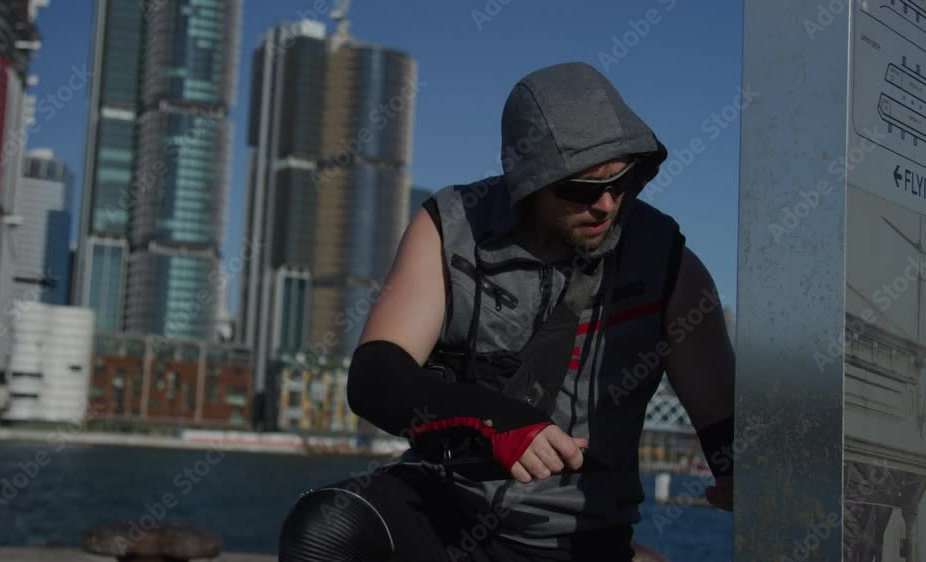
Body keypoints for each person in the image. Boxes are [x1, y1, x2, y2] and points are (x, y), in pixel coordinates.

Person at [278, 61, 735, 562]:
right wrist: (493, 420)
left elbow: (721, 415)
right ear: (530, 180)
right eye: (581, 189)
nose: (606, 204)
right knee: (325, 528)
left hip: (578, 536)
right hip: (444, 509)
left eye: (621, 181)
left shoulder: (667, 262)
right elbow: (375, 376)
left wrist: (740, 475)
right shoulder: (451, 227)